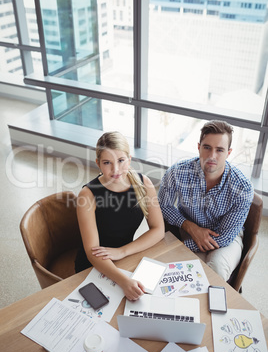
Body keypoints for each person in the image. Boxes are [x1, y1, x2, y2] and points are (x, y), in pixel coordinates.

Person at [158, 120, 254, 281]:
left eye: (220, 150)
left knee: (215, 271)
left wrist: (182, 246)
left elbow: (225, 237)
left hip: (226, 238)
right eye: (207, 147)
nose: (212, 156)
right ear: (198, 147)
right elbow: (163, 205)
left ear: (229, 153)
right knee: (181, 275)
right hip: (188, 229)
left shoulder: (243, 188)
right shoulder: (177, 173)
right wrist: (189, 226)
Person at [75, 131, 165, 301]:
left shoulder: (144, 184)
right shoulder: (87, 195)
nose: (115, 169)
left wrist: (122, 252)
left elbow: (158, 229)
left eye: (121, 161)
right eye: (107, 162)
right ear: (98, 164)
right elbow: (91, 252)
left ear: (129, 159)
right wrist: (124, 281)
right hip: (94, 264)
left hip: (126, 257)